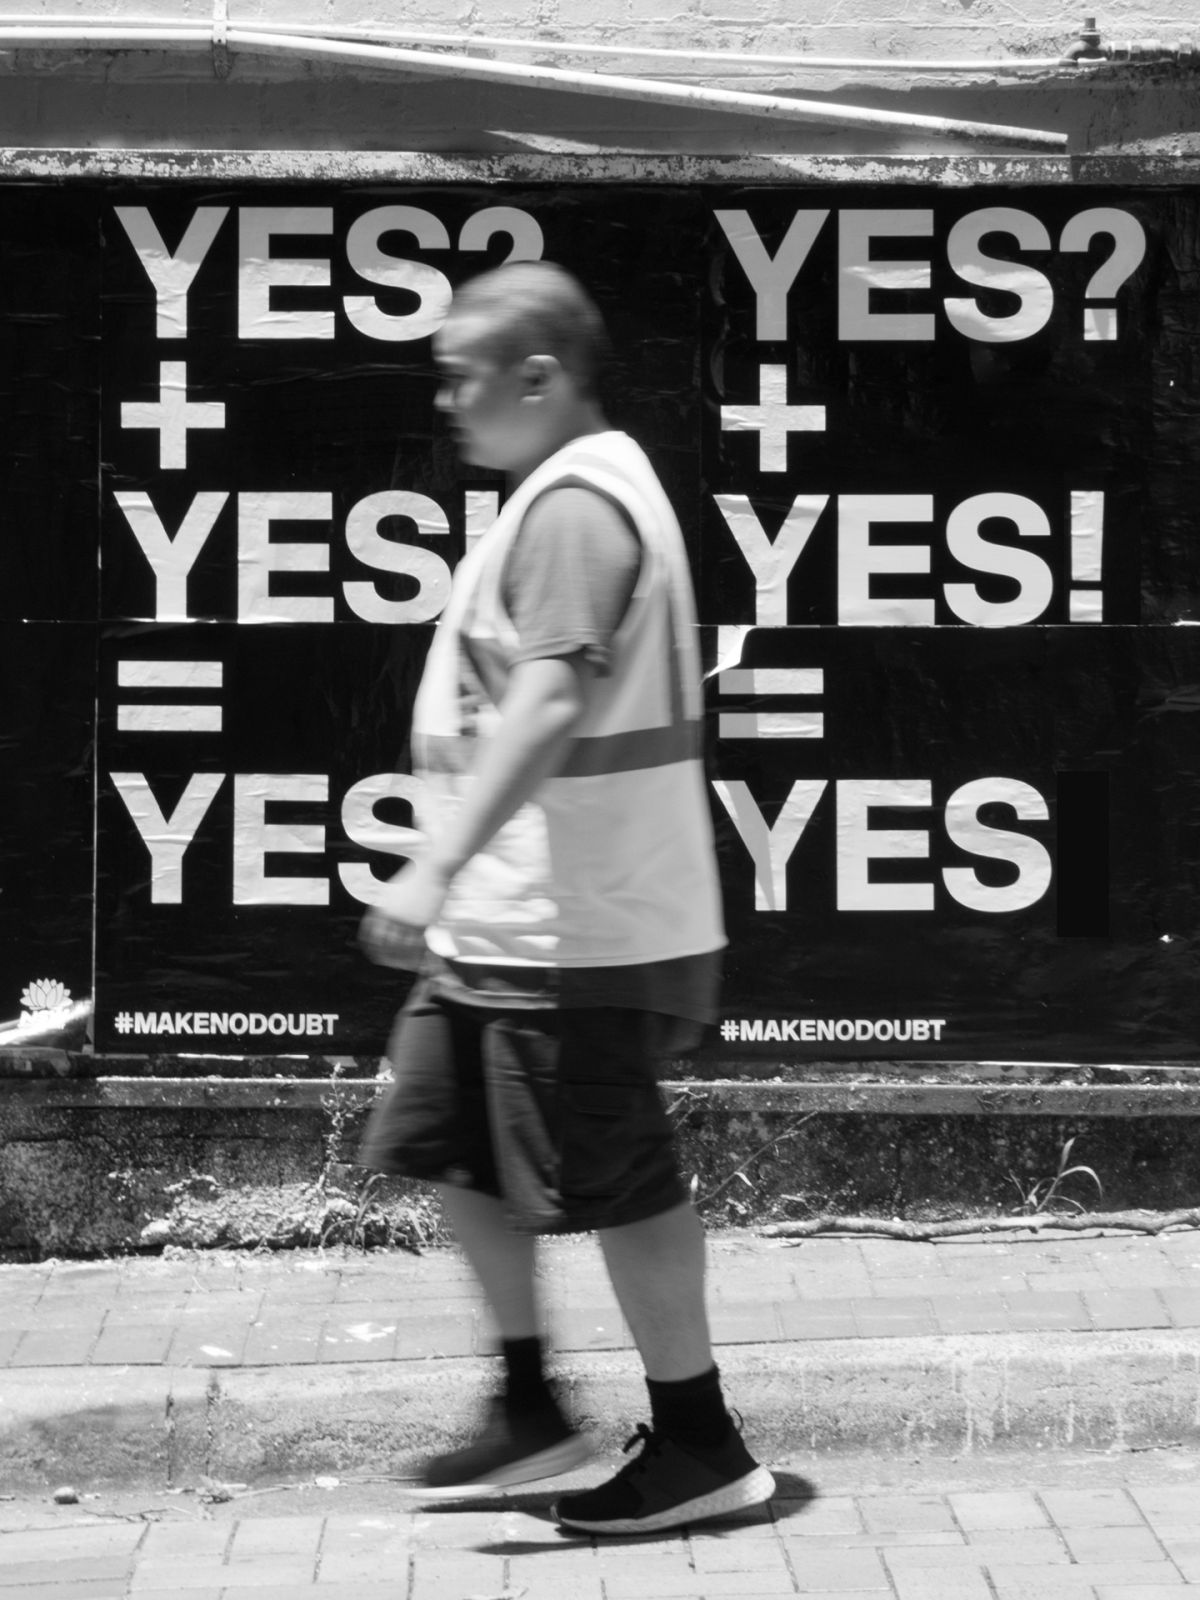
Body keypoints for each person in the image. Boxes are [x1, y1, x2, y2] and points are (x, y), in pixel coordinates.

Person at [357, 260, 775, 1535]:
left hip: (580, 925)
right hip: (513, 920)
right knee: (444, 1137)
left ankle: (703, 1443)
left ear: (538, 376)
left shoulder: (579, 509)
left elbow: (547, 698)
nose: (445, 404)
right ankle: (530, 1406)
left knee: (619, 1172)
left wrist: (428, 866)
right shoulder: (556, 496)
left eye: (459, 378)